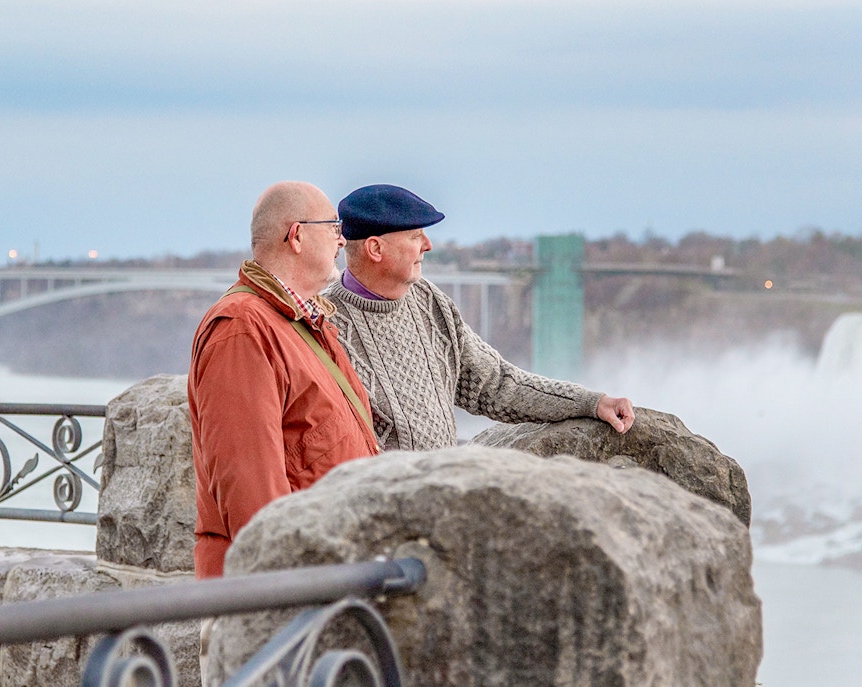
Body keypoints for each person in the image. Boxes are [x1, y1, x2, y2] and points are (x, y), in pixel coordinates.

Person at [323, 183, 635, 451]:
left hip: (441, 503)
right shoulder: (323, 324)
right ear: (376, 249)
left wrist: (591, 403)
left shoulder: (429, 301)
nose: (428, 246)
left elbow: (497, 384)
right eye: (416, 235)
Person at [187, 181, 379, 580]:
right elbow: (252, 495)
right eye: (332, 227)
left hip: (323, 585)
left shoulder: (299, 325)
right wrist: (285, 596)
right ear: (297, 235)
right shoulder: (242, 329)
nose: (342, 241)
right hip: (278, 599)